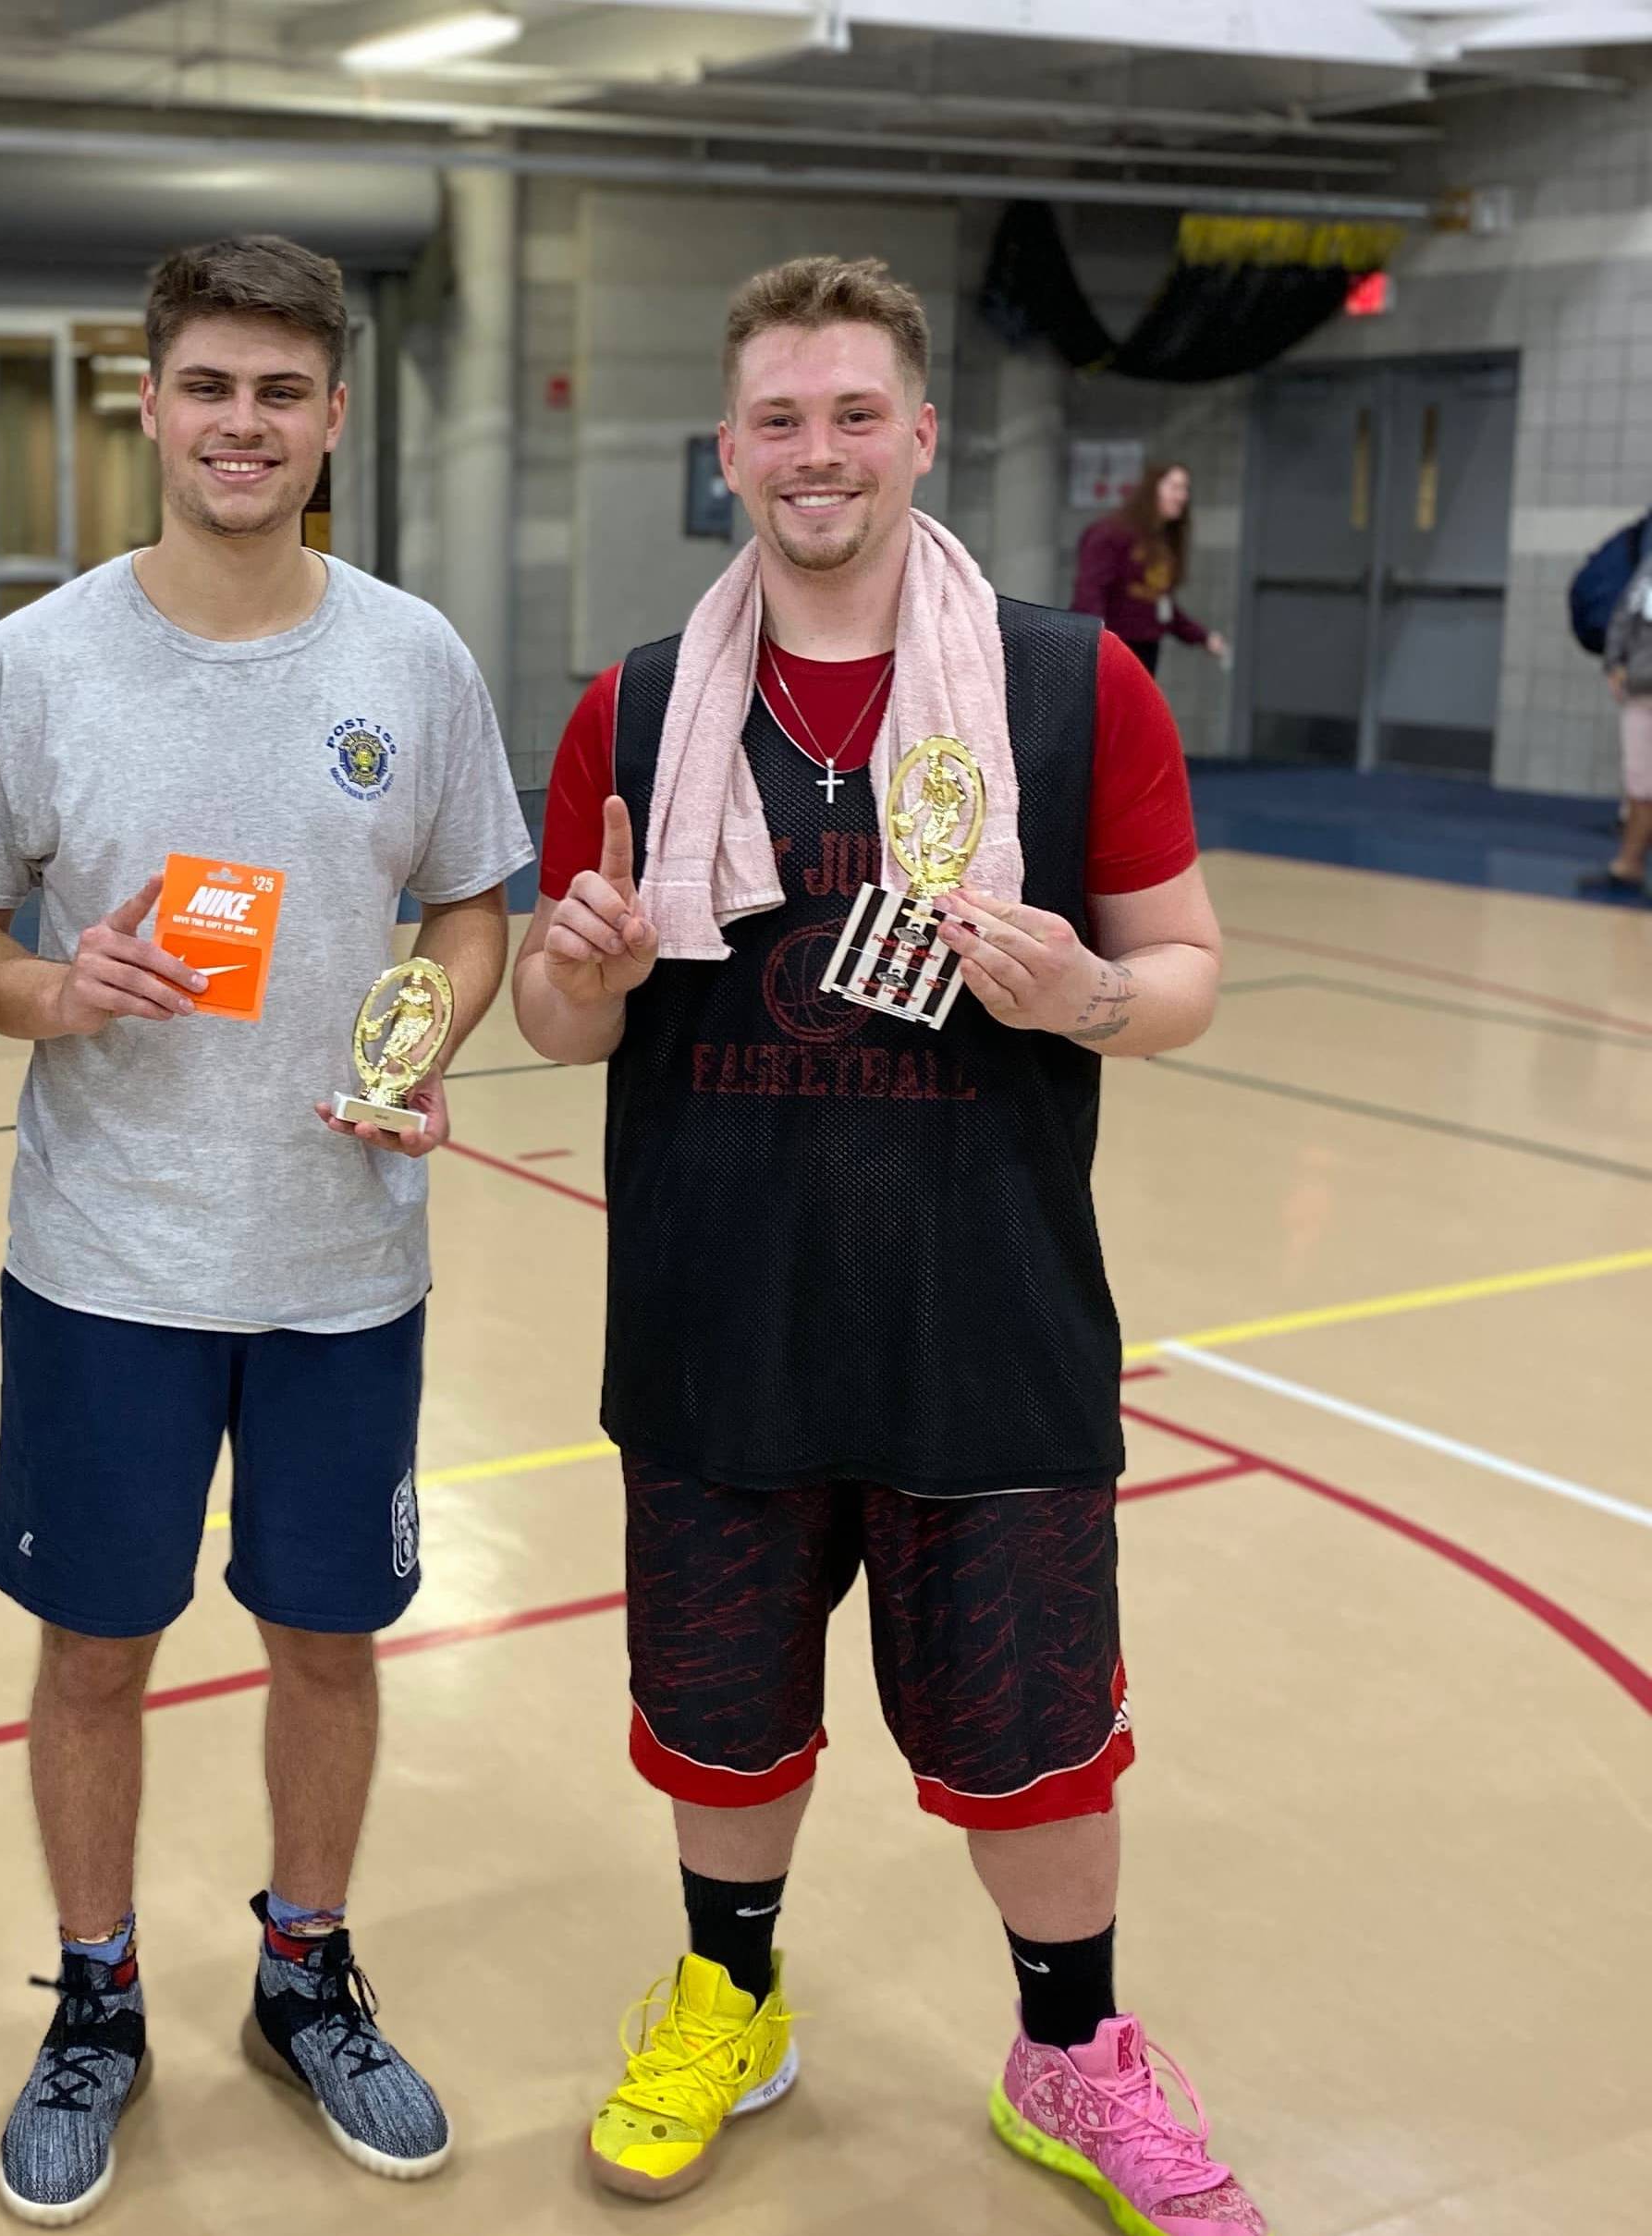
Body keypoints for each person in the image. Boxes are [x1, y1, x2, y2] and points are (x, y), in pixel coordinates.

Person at [514, 255, 1264, 2236]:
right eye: (778, 418)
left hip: (988, 1314)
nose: (816, 451)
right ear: (730, 452)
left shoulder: (1066, 685)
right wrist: (567, 965)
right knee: (720, 1713)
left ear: (921, 435)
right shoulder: (643, 708)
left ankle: (1073, 2057)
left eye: (855, 413)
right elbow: (561, 1020)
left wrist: (1085, 997)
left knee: (1040, 1746)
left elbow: (1185, 966)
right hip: (717, 1317)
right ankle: (730, 2000)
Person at [0, 233, 532, 2227]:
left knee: (327, 1638)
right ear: (151, 404)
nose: (243, 423)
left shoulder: (413, 661)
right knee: (97, 1650)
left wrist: (428, 1023)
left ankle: (304, 1973)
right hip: (105, 1263)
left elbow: (470, 909)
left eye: (282, 391)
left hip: (346, 1263)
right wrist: (50, 990)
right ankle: (95, 2002)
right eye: (210, 386)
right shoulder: (32, 669)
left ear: (334, 417)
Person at [1072, 460, 1229, 679]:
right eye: (1174, 487)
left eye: (1185, 489)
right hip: (1112, 648)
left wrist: (1204, 637)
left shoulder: (1162, 542)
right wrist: (1097, 644)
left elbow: (1161, 606)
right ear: (1152, 489)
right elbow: (1090, 593)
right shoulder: (1110, 534)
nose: (1181, 496)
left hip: (1144, 650)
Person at [1587, 544, 1652, 900]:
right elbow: (1624, 617)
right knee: (1639, 785)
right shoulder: (1650, 571)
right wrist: (1614, 663)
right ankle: (1629, 864)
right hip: (1643, 691)